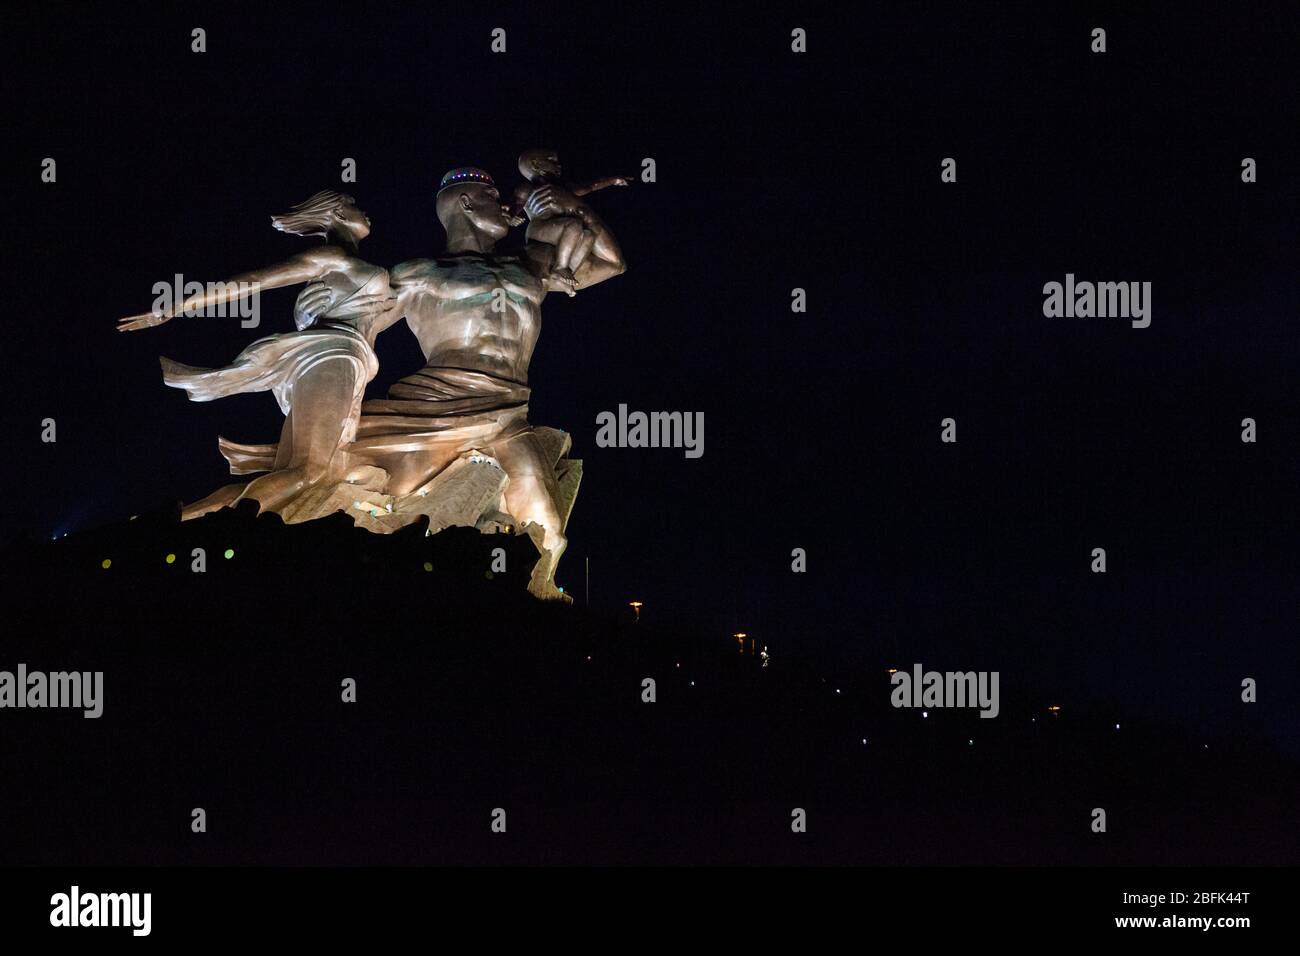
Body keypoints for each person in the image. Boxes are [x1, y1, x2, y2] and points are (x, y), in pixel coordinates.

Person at [117, 191, 402, 516]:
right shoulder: (333, 256)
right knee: (313, 472)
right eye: (356, 206)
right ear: (337, 212)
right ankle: (183, 521)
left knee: (312, 474)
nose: (367, 213)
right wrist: (176, 307)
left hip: (349, 363)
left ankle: (181, 517)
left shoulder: (349, 265)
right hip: (332, 356)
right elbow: (254, 282)